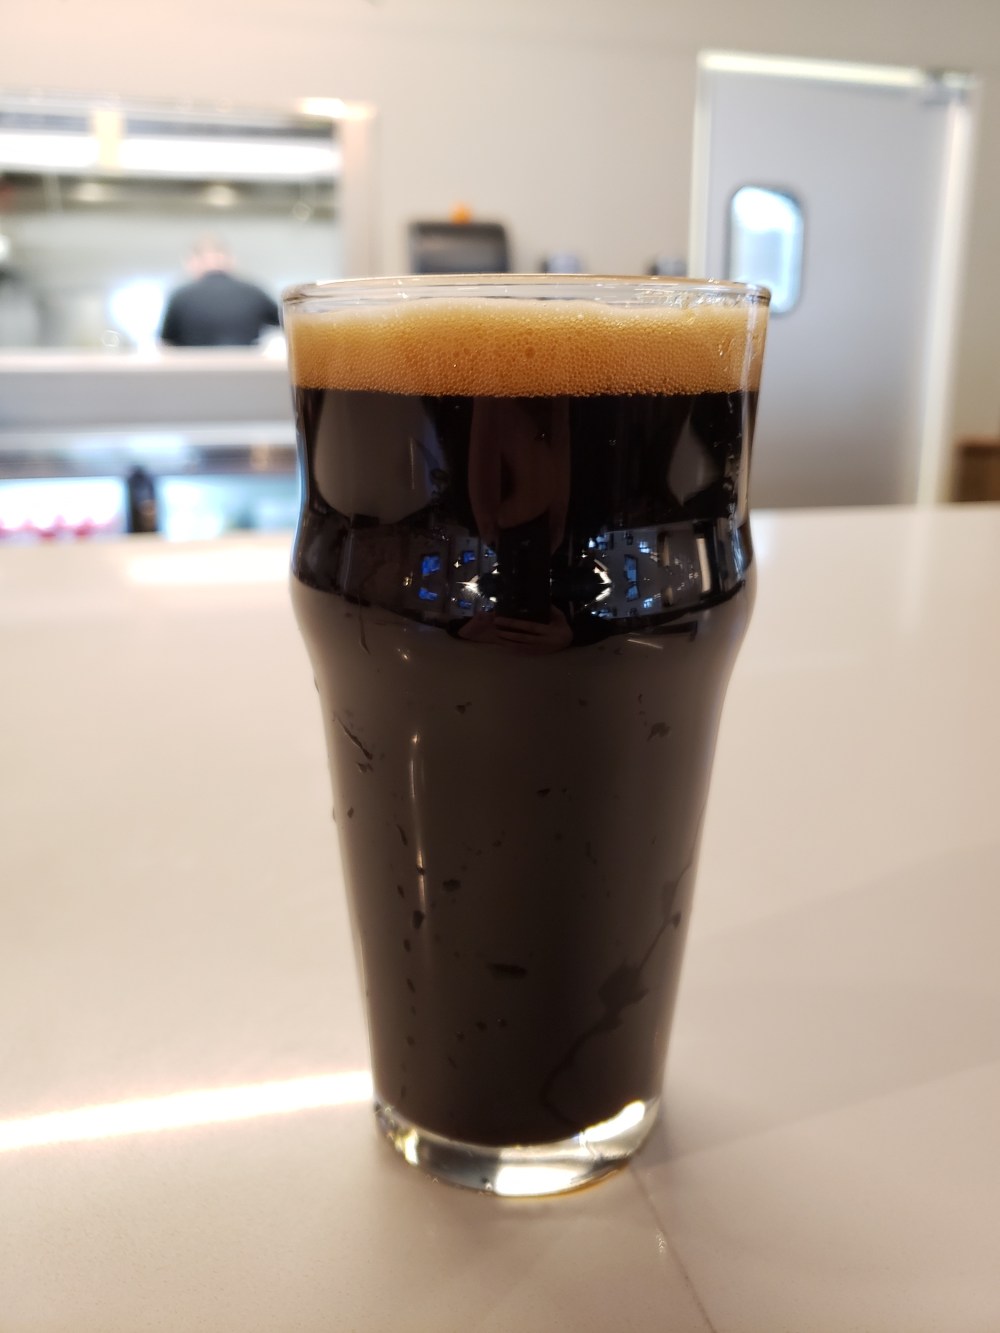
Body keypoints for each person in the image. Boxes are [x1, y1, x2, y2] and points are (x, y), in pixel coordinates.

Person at [159, 237, 280, 347]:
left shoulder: (180, 296)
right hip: (245, 362)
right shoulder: (254, 292)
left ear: (193, 262)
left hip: (195, 363)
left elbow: (166, 343)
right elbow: (285, 322)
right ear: (230, 260)